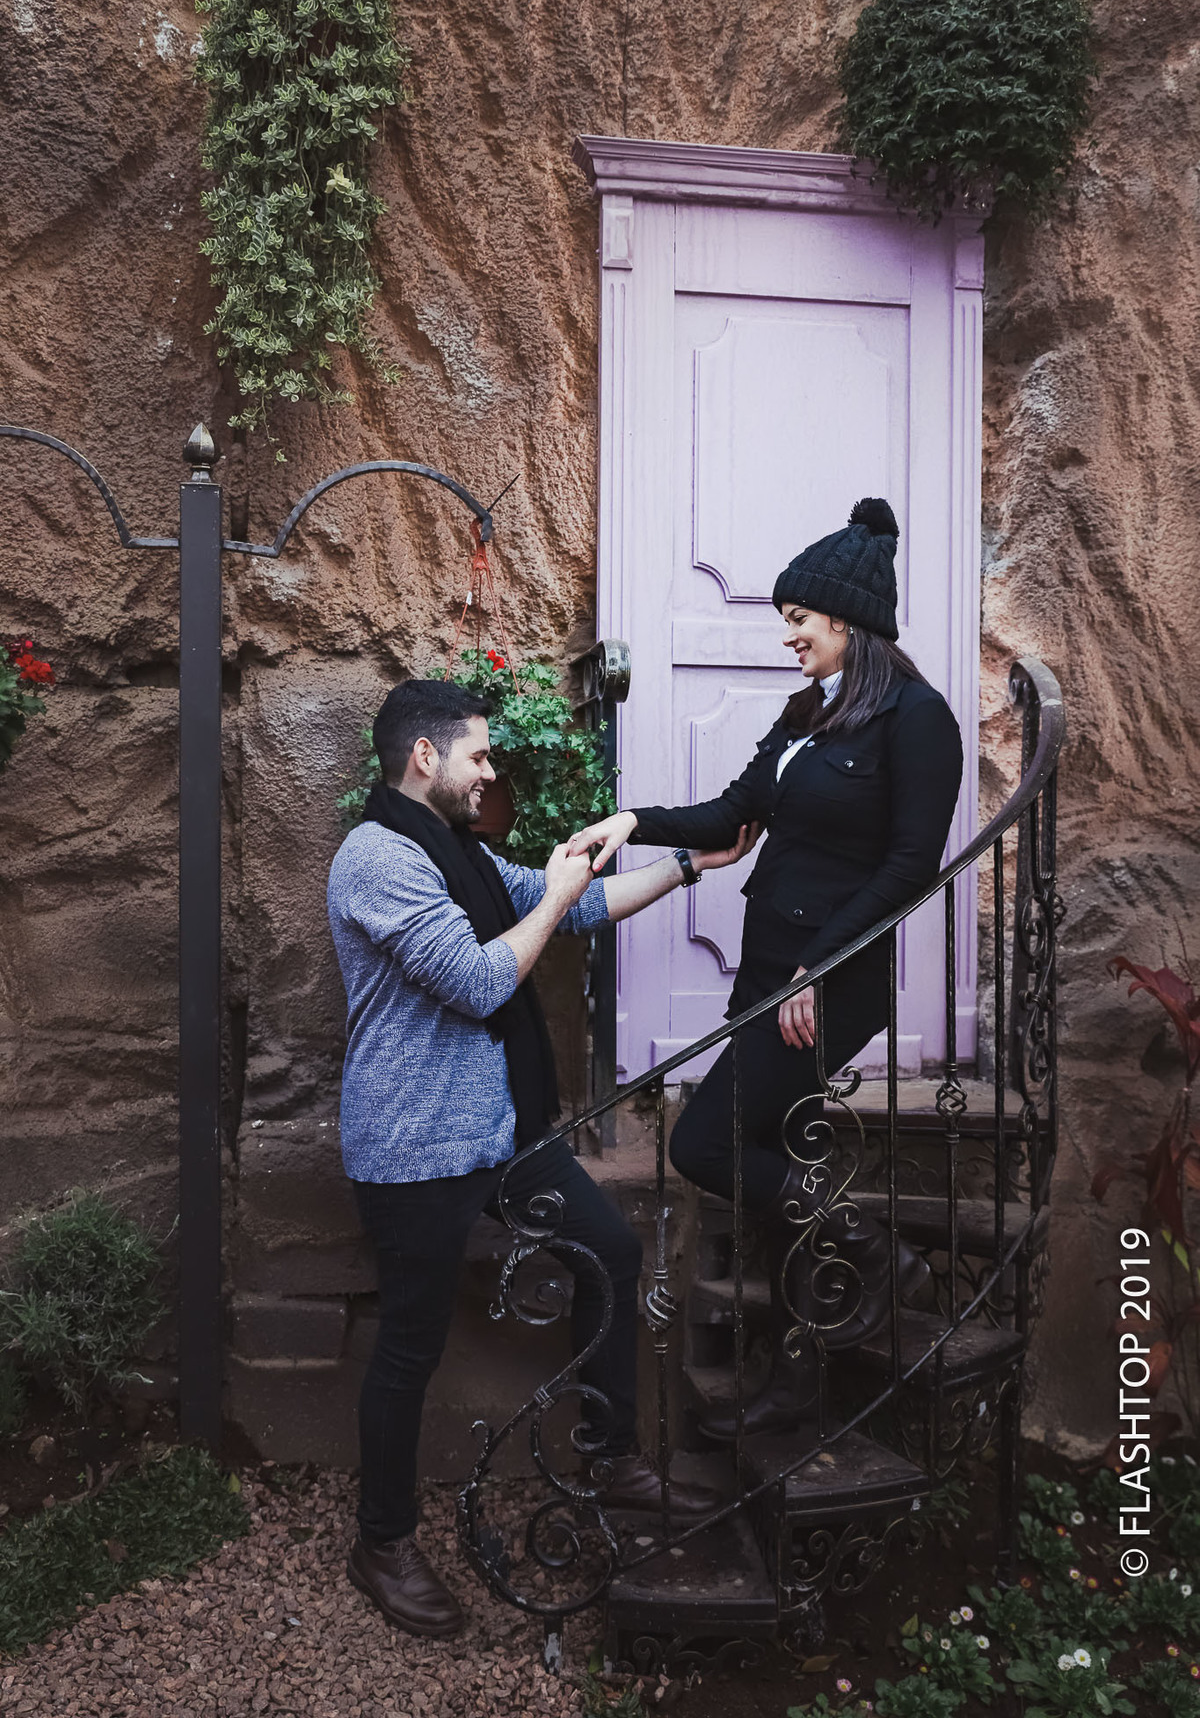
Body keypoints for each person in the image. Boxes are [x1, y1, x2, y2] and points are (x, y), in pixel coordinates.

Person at [327, 678, 756, 1637]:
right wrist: (558, 887)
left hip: (501, 1129)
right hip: (413, 1145)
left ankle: (610, 1456)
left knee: (608, 1250)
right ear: (424, 757)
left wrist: (691, 864)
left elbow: (575, 907)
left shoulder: (461, 853)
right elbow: (479, 981)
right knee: (410, 1346)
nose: (490, 770)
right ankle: (383, 1541)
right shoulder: (375, 858)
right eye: (478, 754)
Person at [569, 499, 964, 1439]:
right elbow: (734, 812)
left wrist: (818, 971)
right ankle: (794, 1382)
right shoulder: (807, 715)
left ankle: (874, 1251)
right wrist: (633, 824)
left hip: (829, 981)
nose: (786, 636)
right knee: (775, 1164)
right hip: (768, 973)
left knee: (702, 1145)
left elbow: (912, 868)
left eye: (798, 620)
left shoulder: (920, 720)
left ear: (847, 621)